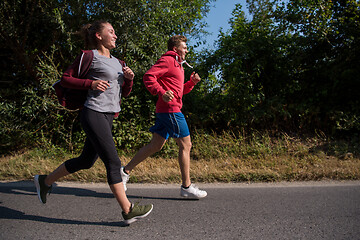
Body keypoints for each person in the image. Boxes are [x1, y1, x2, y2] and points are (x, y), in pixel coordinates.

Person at [34, 20, 153, 225]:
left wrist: (130, 79)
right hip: (93, 113)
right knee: (114, 163)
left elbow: (123, 92)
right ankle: (128, 210)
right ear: (99, 35)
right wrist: (91, 83)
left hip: (109, 116)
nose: (115, 35)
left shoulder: (119, 63)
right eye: (111, 31)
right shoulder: (89, 56)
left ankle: (44, 181)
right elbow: (65, 79)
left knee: (86, 161)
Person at [120, 35, 207, 199]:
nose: (187, 50)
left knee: (156, 145)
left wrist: (191, 83)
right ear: (175, 49)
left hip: (166, 110)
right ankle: (186, 187)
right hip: (170, 110)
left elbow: (179, 91)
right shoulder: (168, 60)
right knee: (186, 145)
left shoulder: (178, 65)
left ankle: (124, 171)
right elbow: (148, 76)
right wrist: (161, 92)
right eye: (184, 47)